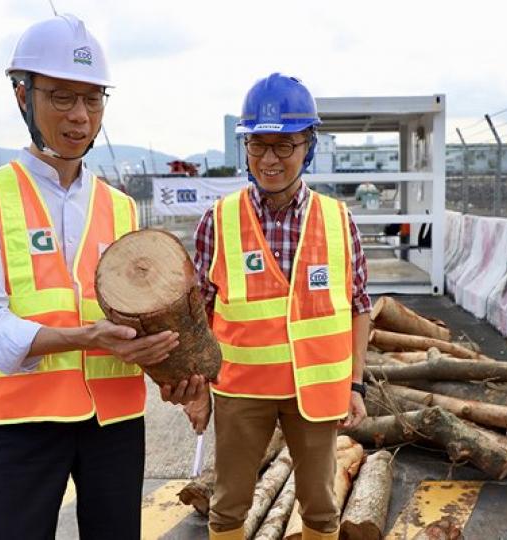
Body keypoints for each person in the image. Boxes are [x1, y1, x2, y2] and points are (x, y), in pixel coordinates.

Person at [0, 14, 204, 540]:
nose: (80, 117)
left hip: (113, 423)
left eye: (93, 99)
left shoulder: (121, 208)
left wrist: (182, 376)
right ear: (23, 96)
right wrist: (86, 338)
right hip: (24, 424)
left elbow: (144, 315)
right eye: (62, 97)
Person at [184, 73, 371, 540]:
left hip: (316, 392)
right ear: (245, 147)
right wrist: (197, 387)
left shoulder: (338, 220)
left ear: (308, 145)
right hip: (241, 388)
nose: (270, 159)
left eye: (284, 145)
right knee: (228, 506)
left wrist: (356, 385)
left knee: (322, 506)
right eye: (258, 145)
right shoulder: (219, 219)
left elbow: (358, 306)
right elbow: (197, 313)